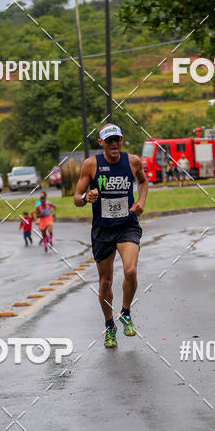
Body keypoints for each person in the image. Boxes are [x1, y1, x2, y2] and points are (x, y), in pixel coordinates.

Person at [74, 123, 148, 349]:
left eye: (117, 139)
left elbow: (143, 182)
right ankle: (109, 326)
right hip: (103, 230)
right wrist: (87, 196)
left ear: (121, 140)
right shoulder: (91, 165)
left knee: (130, 270)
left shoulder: (132, 161)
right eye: (109, 140)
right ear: (102, 143)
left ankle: (125, 312)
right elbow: (76, 197)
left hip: (127, 225)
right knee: (105, 282)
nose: (114, 144)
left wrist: (141, 202)